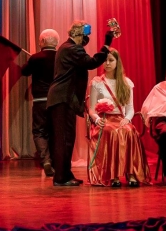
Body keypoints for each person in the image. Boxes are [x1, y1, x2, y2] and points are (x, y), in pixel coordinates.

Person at [46, 20, 119, 187]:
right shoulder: (72, 48)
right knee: (64, 139)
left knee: (66, 138)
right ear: (77, 35)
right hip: (63, 99)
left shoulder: (66, 48)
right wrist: (107, 43)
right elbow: (92, 62)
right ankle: (61, 177)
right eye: (85, 36)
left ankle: (65, 174)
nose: (86, 40)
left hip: (61, 99)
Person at [86, 48, 149, 187]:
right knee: (112, 132)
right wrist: (97, 120)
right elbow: (91, 110)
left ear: (117, 62)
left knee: (129, 131)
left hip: (121, 118)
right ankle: (113, 175)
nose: (107, 63)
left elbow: (130, 108)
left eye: (111, 60)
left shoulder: (126, 83)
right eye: (105, 60)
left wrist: (127, 119)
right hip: (104, 119)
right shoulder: (97, 82)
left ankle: (131, 173)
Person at [20, 29, 59, 177]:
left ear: (42, 42)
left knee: (39, 131)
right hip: (57, 100)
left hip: (40, 100)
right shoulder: (61, 57)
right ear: (56, 42)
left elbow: (24, 71)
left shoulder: (35, 58)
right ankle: (56, 162)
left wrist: (32, 60)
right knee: (56, 131)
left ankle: (46, 160)